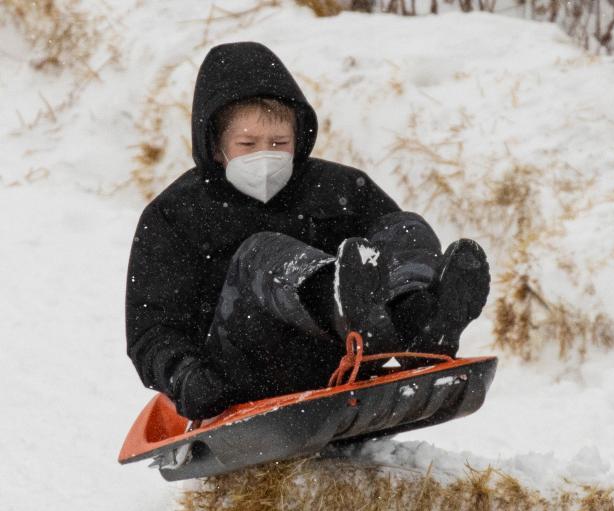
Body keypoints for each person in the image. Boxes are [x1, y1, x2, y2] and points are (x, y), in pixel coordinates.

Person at [125, 41, 490, 421]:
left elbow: (394, 239)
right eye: (247, 144)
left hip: (339, 357)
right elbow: (151, 330)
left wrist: (405, 289)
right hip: (239, 373)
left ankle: (420, 326)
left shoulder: (339, 189)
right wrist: (186, 377)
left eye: (279, 143)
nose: (265, 155)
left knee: (403, 227)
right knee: (261, 253)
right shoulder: (175, 214)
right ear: (216, 146)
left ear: (297, 140)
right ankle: (338, 304)